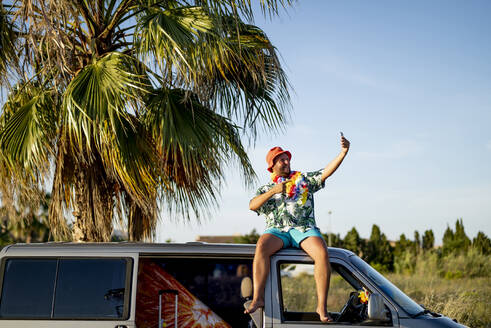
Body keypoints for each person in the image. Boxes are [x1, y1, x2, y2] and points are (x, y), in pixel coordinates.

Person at [245, 134, 350, 322]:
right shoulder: (267, 188)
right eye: (281, 160)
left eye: (287, 159)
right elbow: (252, 205)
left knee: (321, 252)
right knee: (261, 246)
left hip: (304, 228)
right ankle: (258, 298)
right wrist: (273, 192)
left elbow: (325, 172)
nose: (286, 162)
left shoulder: (304, 180)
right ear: (273, 166)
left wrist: (343, 152)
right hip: (277, 230)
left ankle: (321, 307)